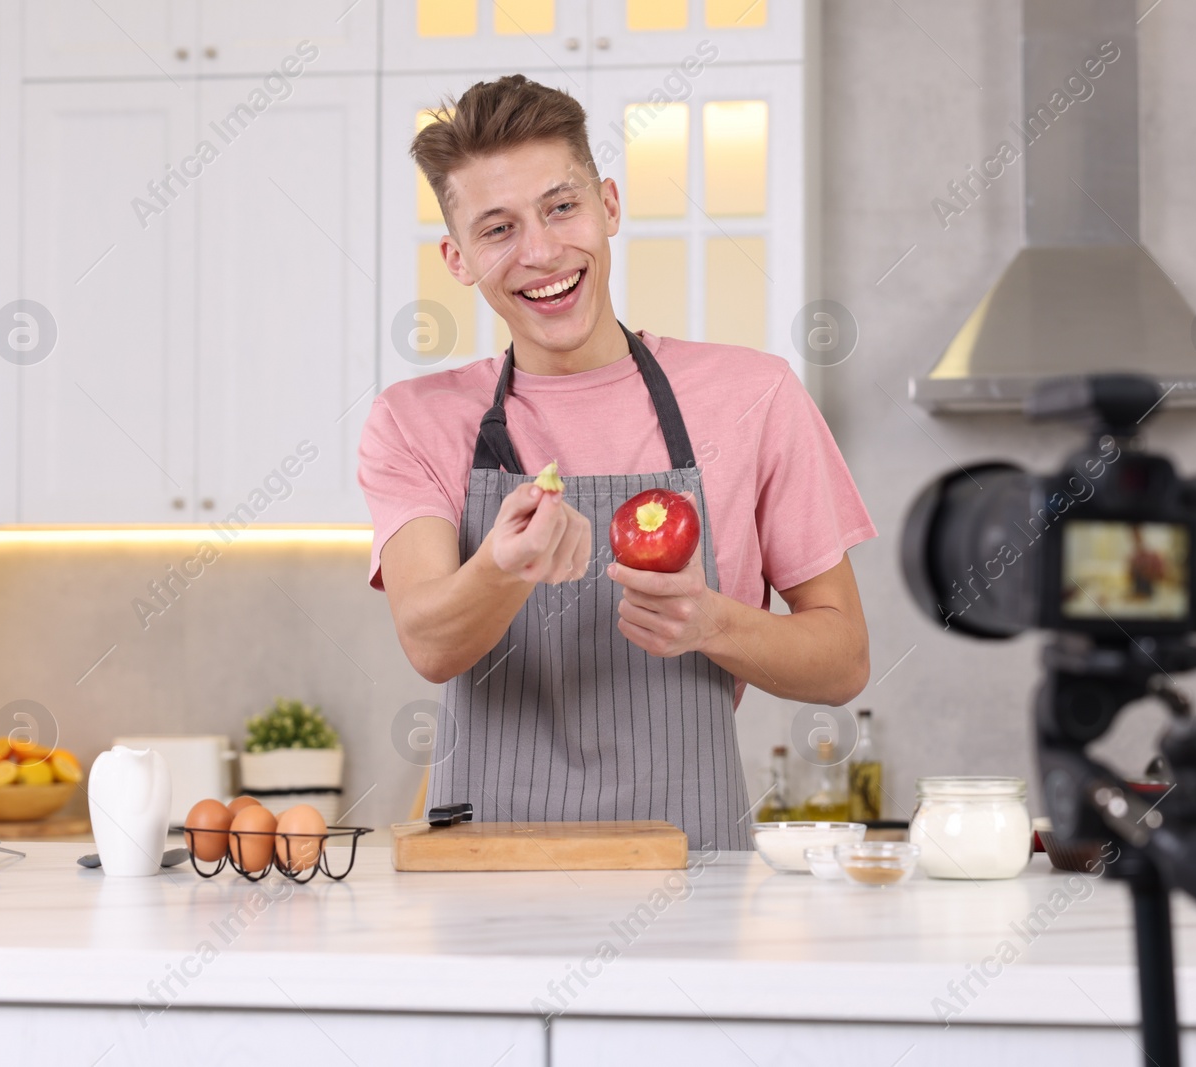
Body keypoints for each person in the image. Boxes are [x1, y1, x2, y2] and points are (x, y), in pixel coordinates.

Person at [359, 75, 875, 850]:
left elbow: (843, 660)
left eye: (562, 207)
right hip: (485, 880)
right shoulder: (415, 419)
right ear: (458, 259)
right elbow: (430, 642)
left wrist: (713, 621)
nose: (541, 251)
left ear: (609, 206)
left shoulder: (754, 394)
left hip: (690, 866)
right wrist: (502, 567)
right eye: (497, 229)